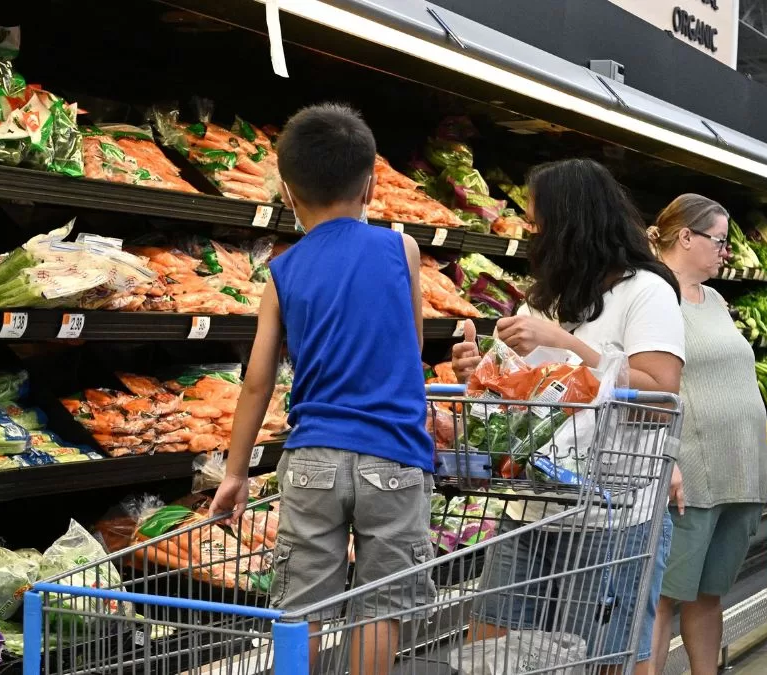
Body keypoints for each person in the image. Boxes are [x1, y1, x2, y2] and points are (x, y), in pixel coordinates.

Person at [209, 103, 434, 675]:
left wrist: (235, 474)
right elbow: (410, 351)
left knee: (300, 610)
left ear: (287, 191)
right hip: (394, 454)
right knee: (379, 609)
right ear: (371, 183)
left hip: (311, 458)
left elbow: (257, 382)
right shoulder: (400, 250)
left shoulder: (282, 272)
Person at [451, 158, 684, 674]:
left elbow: (661, 396)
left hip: (613, 514)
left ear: (572, 224)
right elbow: (527, 395)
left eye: (538, 223)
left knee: (603, 656)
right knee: (492, 644)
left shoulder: (646, 292)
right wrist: (482, 371)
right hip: (532, 505)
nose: (531, 234)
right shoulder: (547, 300)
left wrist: (568, 345)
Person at [645, 195, 767, 675]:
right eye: (719, 240)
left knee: (707, 592)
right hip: (692, 476)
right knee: (664, 598)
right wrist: (667, 455)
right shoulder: (655, 295)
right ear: (685, 237)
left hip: (738, 470)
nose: (726, 252)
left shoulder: (715, 298)